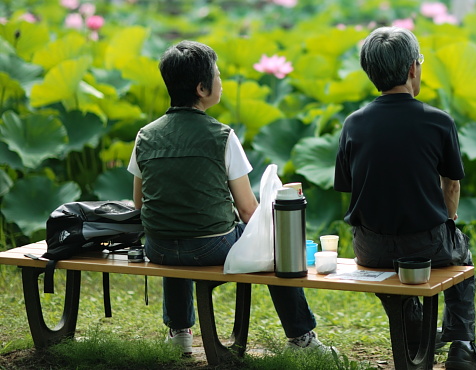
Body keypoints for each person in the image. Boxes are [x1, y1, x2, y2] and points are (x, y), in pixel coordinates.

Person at [128, 41, 334, 357]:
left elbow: (140, 206)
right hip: (211, 246)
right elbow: (249, 211)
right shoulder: (222, 135)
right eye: (218, 75)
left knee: (174, 228)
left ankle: (179, 332)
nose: (221, 82)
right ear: (201, 88)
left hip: (158, 247)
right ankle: (301, 338)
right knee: (272, 244)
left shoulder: (145, 135)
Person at [334, 27, 476, 370]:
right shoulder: (438, 121)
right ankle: (462, 345)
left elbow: (347, 185)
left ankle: (416, 332)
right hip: (427, 243)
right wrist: (448, 221)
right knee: (461, 256)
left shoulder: (353, 124)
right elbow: (451, 186)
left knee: (391, 270)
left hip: (370, 247)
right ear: (413, 69)